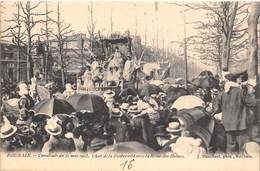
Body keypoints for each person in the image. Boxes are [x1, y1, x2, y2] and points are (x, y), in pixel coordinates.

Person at [213, 74, 257, 153]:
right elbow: (252, 103)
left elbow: (217, 109)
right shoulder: (241, 92)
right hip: (240, 124)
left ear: (227, 82)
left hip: (227, 124)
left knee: (230, 146)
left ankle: (231, 163)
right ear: (235, 81)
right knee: (243, 146)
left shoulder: (222, 93)